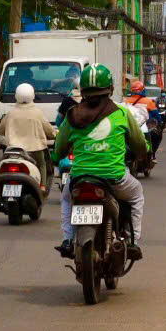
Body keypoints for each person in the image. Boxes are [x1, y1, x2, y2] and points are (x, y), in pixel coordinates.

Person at [53, 62, 148, 261]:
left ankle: (68, 239)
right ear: (110, 89)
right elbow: (139, 144)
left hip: (79, 178)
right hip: (114, 179)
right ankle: (132, 242)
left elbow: (58, 150)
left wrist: (57, 158)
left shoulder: (71, 115)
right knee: (137, 194)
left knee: (66, 197)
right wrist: (143, 153)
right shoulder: (122, 114)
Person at [0, 83, 57, 193]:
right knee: (42, 165)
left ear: (16, 96)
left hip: (13, 150)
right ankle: (43, 187)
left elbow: (1, 130)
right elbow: (49, 131)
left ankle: (1, 188)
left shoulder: (11, 113)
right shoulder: (37, 113)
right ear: (33, 96)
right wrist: (54, 134)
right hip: (35, 149)